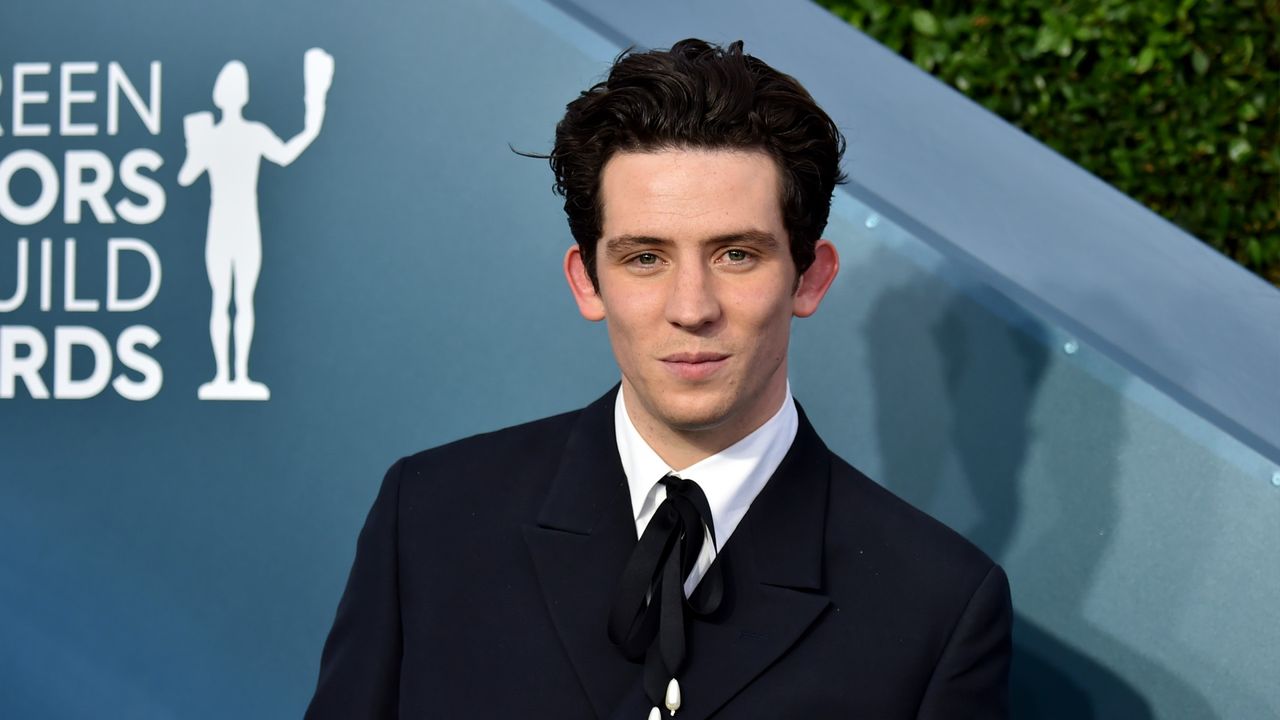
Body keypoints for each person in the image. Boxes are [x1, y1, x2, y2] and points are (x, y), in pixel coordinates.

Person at [305, 39, 1010, 719]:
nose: (691, 308)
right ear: (588, 282)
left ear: (811, 276)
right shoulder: (430, 518)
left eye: (736, 254)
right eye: (645, 258)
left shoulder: (936, 605)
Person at [178, 49, 334, 401]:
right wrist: (194, 145)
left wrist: (316, 108)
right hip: (223, 225)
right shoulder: (213, 135)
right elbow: (187, 176)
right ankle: (223, 375)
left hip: (244, 225)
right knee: (224, 299)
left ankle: (238, 376)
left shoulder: (253, 133)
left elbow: (286, 153)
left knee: (240, 300)